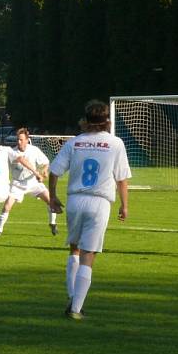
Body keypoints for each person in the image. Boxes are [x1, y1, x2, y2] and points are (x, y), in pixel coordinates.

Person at [49, 100, 131, 321]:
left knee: (74, 250)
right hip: (99, 202)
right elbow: (121, 179)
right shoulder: (115, 143)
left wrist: (53, 196)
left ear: (86, 120)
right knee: (89, 254)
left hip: (75, 200)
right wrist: (124, 205)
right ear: (107, 121)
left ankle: (72, 296)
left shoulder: (75, 143)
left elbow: (54, 171)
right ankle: (76, 308)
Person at [0, 128, 58, 237]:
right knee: (7, 206)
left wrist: (44, 171)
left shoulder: (34, 150)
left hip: (33, 182)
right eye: (18, 140)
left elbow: (46, 162)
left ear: (27, 140)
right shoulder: (12, 152)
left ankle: (52, 224)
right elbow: (22, 161)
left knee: (51, 201)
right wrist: (38, 173)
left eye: (21, 140)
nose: (19, 142)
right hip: (17, 183)